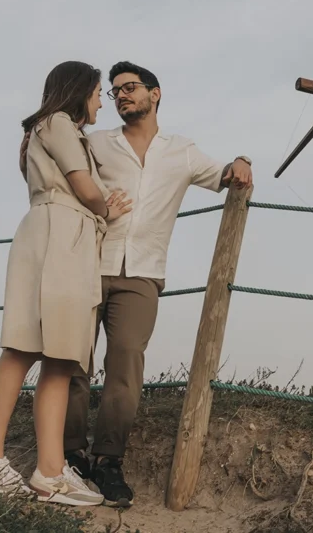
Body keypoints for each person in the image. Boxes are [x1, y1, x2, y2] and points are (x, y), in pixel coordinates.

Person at [62, 60, 253, 508]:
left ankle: (108, 461)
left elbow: (224, 174)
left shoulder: (181, 150)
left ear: (155, 93)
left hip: (143, 272)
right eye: (114, 92)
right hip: (87, 262)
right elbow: (63, 177)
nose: (121, 95)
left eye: (130, 87)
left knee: (126, 367)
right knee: (72, 363)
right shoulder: (95, 143)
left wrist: (243, 161)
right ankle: (69, 456)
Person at [0, 61, 133, 506]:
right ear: (79, 91)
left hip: (73, 242)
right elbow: (83, 186)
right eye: (99, 92)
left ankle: (49, 471)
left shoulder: (59, 130)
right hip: (57, 236)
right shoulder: (57, 122)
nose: (103, 100)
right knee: (23, 348)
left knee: (62, 360)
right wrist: (108, 209)